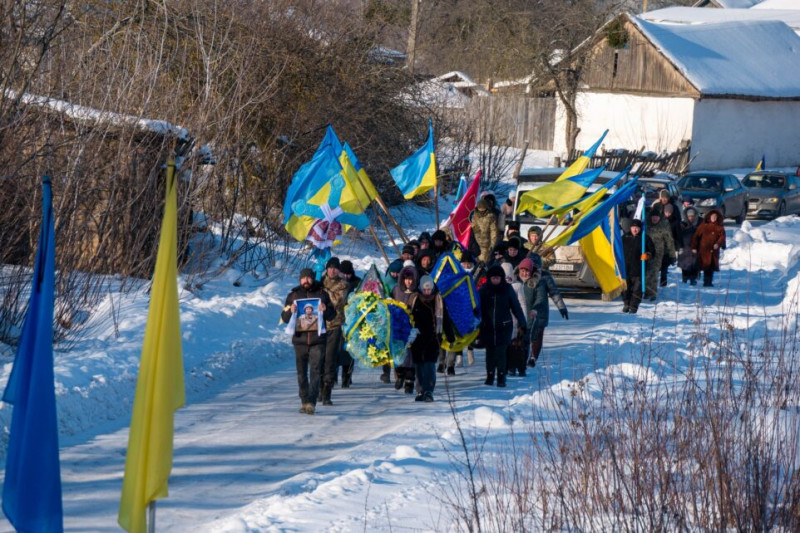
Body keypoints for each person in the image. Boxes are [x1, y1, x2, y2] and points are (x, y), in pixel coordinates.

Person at [281, 268, 335, 415]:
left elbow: (332, 315)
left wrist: (325, 309)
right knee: (301, 373)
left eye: (309, 278)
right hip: (300, 340)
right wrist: (290, 311)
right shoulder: (293, 295)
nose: (306, 280)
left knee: (315, 371)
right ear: (300, 279)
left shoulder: (322, 294)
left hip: (318, 340)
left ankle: (311, 402)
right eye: (303, 278)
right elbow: (284, 318)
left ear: (313, 279)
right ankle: (304, 400)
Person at [479, 264, 527, 387]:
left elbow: (516, 306)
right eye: (493, 278)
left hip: (504, 326)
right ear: (489, 278)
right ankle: (490, 376)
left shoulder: (507, 289)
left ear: (501, 278)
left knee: (501, 352)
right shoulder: (484, 290)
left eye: (498, 278)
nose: (495, 280)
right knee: (490, 353)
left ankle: (501, 377)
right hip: (488, 326)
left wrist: (522, 323)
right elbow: (477, 308)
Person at [524, 253, 568, 367]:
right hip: (526, 310)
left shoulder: (545, 276)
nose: (533, 266)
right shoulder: (523, 275)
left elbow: (554, 292)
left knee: (537, 335)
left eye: (535, 264)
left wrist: (561, 307)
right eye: (531, 264)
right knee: (525, 335)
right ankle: (522, 357)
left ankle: (533, 357)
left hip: (541, 311)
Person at [408, 275, 443, 402]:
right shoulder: (414, 299)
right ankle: (420, 390)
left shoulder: (438, 300)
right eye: (425, 289)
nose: (427, 292)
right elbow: (407, 315)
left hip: (433, 337)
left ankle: (428, 391)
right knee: (418, 365)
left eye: (429, 289)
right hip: (416, 337)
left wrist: (449, 336)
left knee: (429, 365)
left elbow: (446, 318)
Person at [321, 257, 349, 406]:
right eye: (330, 268)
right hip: (319, 326)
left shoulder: (343, 284)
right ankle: (319, 388)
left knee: (330, 359)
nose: (332, 270)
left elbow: (336, 301)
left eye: (335, 268)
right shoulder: (320, 282)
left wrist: (322, 293)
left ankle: (327, 390)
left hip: (335, 325)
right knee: (318, 359)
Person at [391, 262, 419, 394]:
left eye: (411, 279)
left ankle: (409, 382)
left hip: (413, 328)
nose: (409, 282)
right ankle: (399, 375)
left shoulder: (417, 292)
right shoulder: (397, 290)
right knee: (399, 352)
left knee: (411, 356)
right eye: (406, 279)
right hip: (398, 326)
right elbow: (390, 303)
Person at [621, 219, 655, 314]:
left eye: (637, 228)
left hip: (639, 269)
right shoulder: (624, 237)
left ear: (640, 228)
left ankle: (633, 307)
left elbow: (652, 251)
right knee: (625, 289)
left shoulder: (645, 238)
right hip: (626, 268)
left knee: (637, 290)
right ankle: (626, 304)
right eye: (633, 227)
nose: (635, 230)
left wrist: (647, 255)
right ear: (630, 228)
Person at [644, 206, 675, 300]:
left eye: (656, 217)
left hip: (657, 254)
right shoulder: (646, 226)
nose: (655, 219)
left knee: (653, 273)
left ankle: (652, 293)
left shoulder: (663, 227)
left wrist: (672, 255)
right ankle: (645, 291)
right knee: (646, 273)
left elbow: (669, 241)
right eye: (653, 217)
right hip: (646, 253)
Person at [338, 260, 360, 387]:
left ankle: (347, 376)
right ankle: (332, 376)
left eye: (348, 274)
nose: (346, 276)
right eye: (344, 274)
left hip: (352, 321)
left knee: (349, 349)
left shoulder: (357, 283)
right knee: (336, 350)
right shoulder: (336, 283)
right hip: (337, 319)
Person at [692, 208, 726, 287]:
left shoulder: (720, 227)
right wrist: (694, 247)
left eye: (715, 217)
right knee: (704, 265)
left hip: (714, 251)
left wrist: (718, 244)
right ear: (709, 217)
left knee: (711, 267)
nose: (713, 218)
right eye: (712, 217)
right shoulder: (704, 225)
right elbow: (696, 236)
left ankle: (708, 282)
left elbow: (722, 237)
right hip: (704, 250)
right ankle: (701, 280)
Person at [472, 198, 500, 264]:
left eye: (483, 208)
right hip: (476, 243)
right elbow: (472, 226)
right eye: (480, 208)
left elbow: (493, 231)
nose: (481, 210)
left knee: (484, 260)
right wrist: (474, 228)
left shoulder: (490, 216)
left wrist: (492, 244)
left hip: (486, 244)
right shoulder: (475, 216)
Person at [677, 207, 700, 285]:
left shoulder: (699, 224)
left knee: (694, 264)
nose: (691, 218)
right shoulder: (682, 224)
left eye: (692, 216)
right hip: (684, 247)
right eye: (689, 216)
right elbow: (678, 235)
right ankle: (685, 278)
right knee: (684, 264)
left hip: (695, 247)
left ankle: (693, 279)